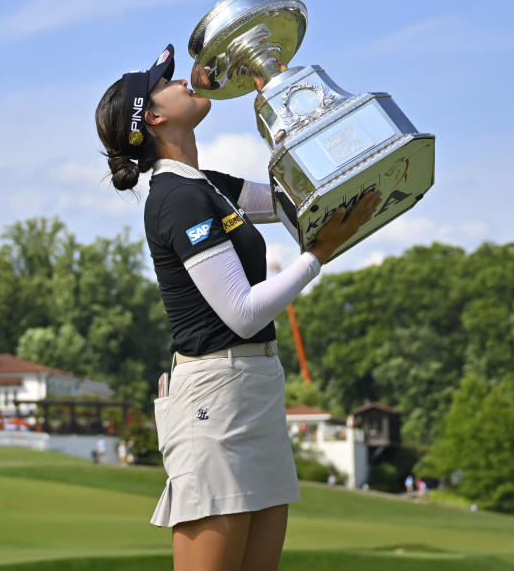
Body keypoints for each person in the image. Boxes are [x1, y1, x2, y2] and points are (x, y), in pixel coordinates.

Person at [95, 44, 379, 571]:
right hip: (213, 400)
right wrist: (317, 255)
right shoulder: (177, 199)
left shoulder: (208, 186)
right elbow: (243, 312)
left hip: (256, 387)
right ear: (154, 117)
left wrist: (277, 101)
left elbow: (294, 199)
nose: (185, 83)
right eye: (169, 83)